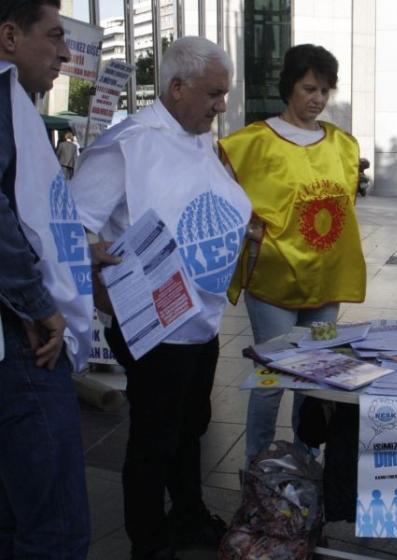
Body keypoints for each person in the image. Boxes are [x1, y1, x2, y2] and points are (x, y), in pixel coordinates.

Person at [71, 37, 251, 559]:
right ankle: (148, 540)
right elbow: (76, 226)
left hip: (201, 317)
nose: (221, 106)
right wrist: (98, 269)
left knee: (192, 423)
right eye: (214, 94)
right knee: (154, 434)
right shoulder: (126, 144)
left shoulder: (199, 140)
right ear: (176, 88)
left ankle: (188, 513)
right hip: (151, 321)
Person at [218, 44, 365, 465]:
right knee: (273, 375)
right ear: (289, 88)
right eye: (309, 88)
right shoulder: (254, 142)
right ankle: (258, 464)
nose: (317, 98)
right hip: (273, 279)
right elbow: (222, 197)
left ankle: (305, 461)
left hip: (326, 281)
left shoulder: (341, 144)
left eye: (324, 90)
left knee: (314, 376)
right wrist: (246, 225)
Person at [0, 1, 94, 556]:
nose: (64, 52)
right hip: (26, 346)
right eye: (54, 35)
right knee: (55, 529)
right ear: (10, 36)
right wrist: (39, 305)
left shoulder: (17, 103)